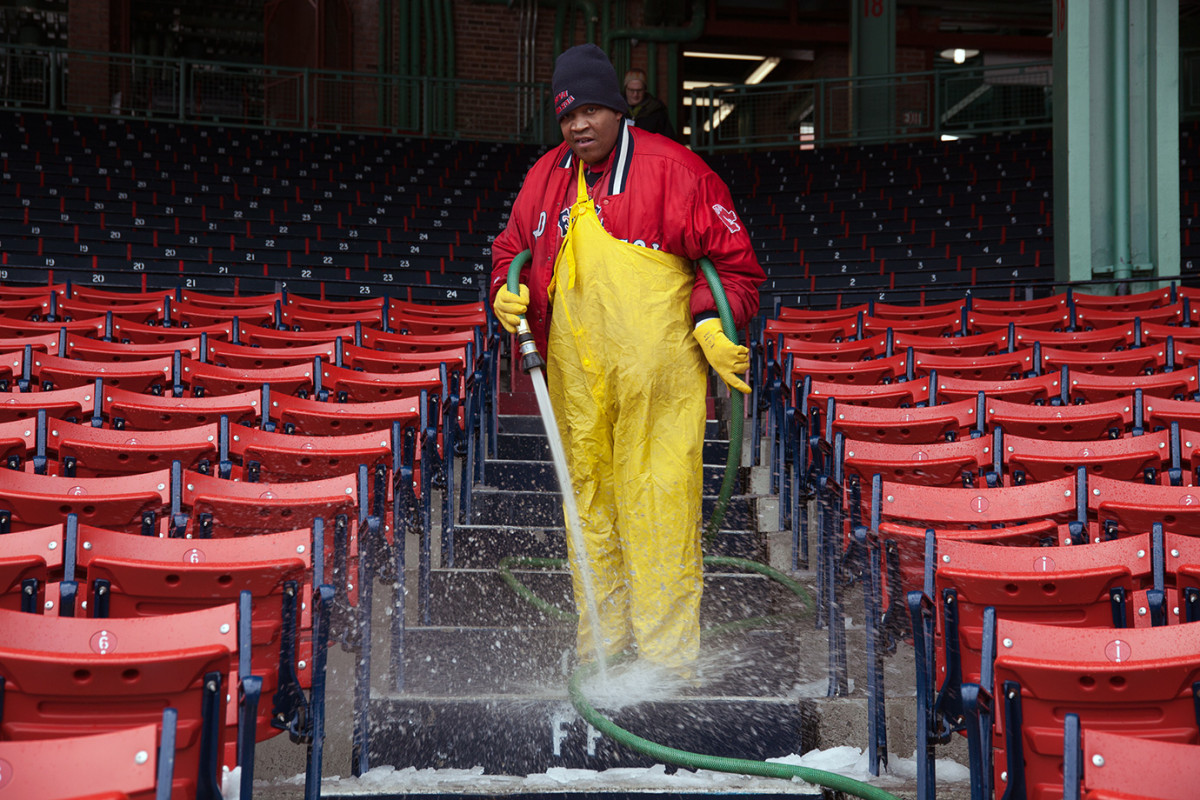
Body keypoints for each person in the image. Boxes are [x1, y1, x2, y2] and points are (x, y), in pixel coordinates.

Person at [490, 43, 764, 677]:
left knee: (660, 506)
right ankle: (604, 652)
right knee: (588, 507)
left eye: (590, 109)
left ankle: (668, 664)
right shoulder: (545, 177)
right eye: (567, 115)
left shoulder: (679, 172)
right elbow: (510, 247)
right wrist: (508, 288)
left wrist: (712, 320)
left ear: (618, 106)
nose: (579, 125)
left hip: (658, 378)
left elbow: (735, 270)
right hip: (576, 378)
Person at [622, 68, 677, 139]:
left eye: (639, 90)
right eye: (631, 90)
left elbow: (668, 139)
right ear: (626, 89)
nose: (635, 94)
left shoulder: (657, 111)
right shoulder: (617, 109)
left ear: (645, 90)